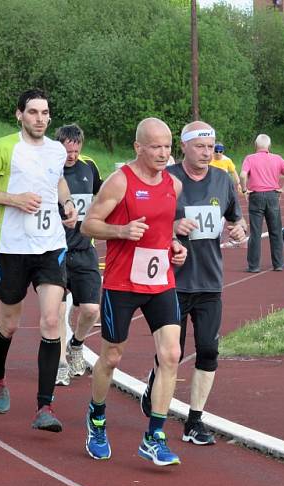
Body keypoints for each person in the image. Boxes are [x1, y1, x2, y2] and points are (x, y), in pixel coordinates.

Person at [0, 89, 78, 432]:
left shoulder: (58, 151)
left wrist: (68, 204)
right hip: (13, 249)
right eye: (33, 112)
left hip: (51, 247)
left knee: (51, 320)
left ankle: (45, 407)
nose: (40, 118)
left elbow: (56, 180)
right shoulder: (2, 148)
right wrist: (12, 199)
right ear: (19, 115)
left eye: (45, 113)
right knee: (10, 323)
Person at [80, 117, 188, 466]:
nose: (162, 152)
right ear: (138, 147)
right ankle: (96, 419)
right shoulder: (119, 182)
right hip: (122, 284)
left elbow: (163, 227)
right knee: (111, 357)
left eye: (167, 146)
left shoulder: (174, 184)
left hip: (161, 282)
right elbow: (88, 225)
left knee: (171, 355)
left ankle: (155, 435)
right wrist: (121, 231)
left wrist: (174, 245)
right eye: (155, 146)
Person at [140, 121, 247, 446]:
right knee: (171, 354)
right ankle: (155, 384)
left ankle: (194, 421)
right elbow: (144, 221)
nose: (206, 152)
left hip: (210, 280)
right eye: (200, 146)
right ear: (183, 147)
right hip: (170, 280)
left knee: (209, 350)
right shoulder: (167, 178)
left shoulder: (222, 179)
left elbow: (236, 219)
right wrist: (173, 226)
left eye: (211, 146)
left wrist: (240, 230)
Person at [52, 124, 102, 387]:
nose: (71, 155)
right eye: (67, 150)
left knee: (92, 310)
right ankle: (60, 364)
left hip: (85, 249)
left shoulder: (89, 167)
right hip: (56, 251)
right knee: (58, 312)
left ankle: (76, 345)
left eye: (76, 149)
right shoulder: (49, 168)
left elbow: (103, 196)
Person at [239, 134, 284, 273]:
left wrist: (245, 189)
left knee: (255, 232)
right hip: (272, 195)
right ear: (269, 146)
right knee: (275, 231)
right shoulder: (277, 158)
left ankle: (254, 266)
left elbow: (242, 175)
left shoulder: (250, 158)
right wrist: (283, 189)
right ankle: (278, 264)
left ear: (255, 145)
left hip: (256, 195)